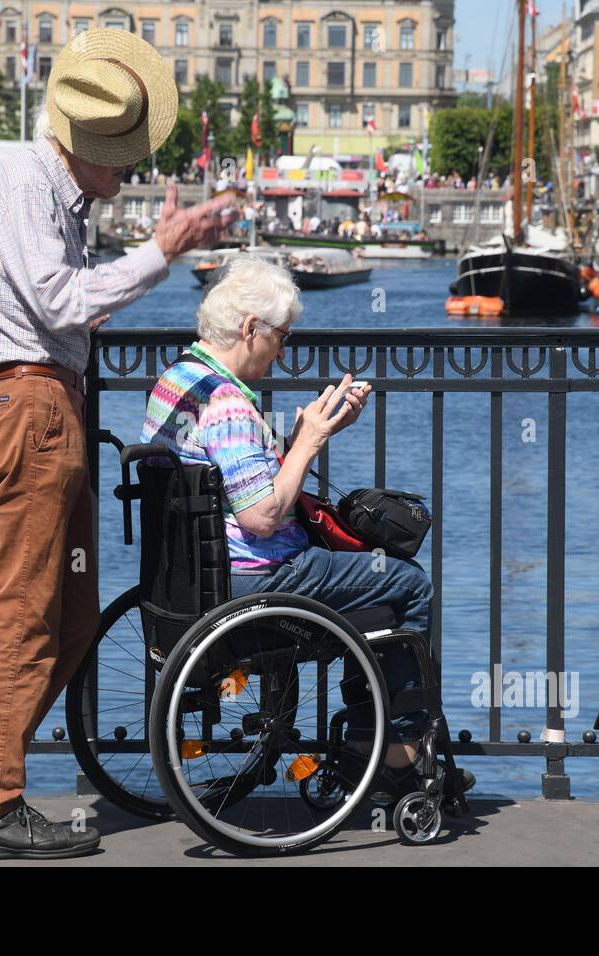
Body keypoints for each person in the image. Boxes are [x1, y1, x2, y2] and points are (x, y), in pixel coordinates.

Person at [0, 27, 237, 860]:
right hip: (29, 411)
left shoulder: (47, 194)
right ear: (85, 145)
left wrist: (120, 274)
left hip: (40, 406)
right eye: (121, 157)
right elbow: (56, 303)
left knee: (72, 617)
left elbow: (58, 303)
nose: (127, 172)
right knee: (23, 615)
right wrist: (158, 255)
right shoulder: (23, 184)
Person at [137, 257, 474, 798]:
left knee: (374, 578)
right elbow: (263, 517)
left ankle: (369, 733)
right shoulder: (225, 405)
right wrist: (310, 443)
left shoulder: (176, 382)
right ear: (250, 329)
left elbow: (235, 490)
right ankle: (389, 748)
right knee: (409, 584)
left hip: (193, 575)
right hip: (257, 576)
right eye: (282, 336)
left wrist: (301, 438)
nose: (284, 351)